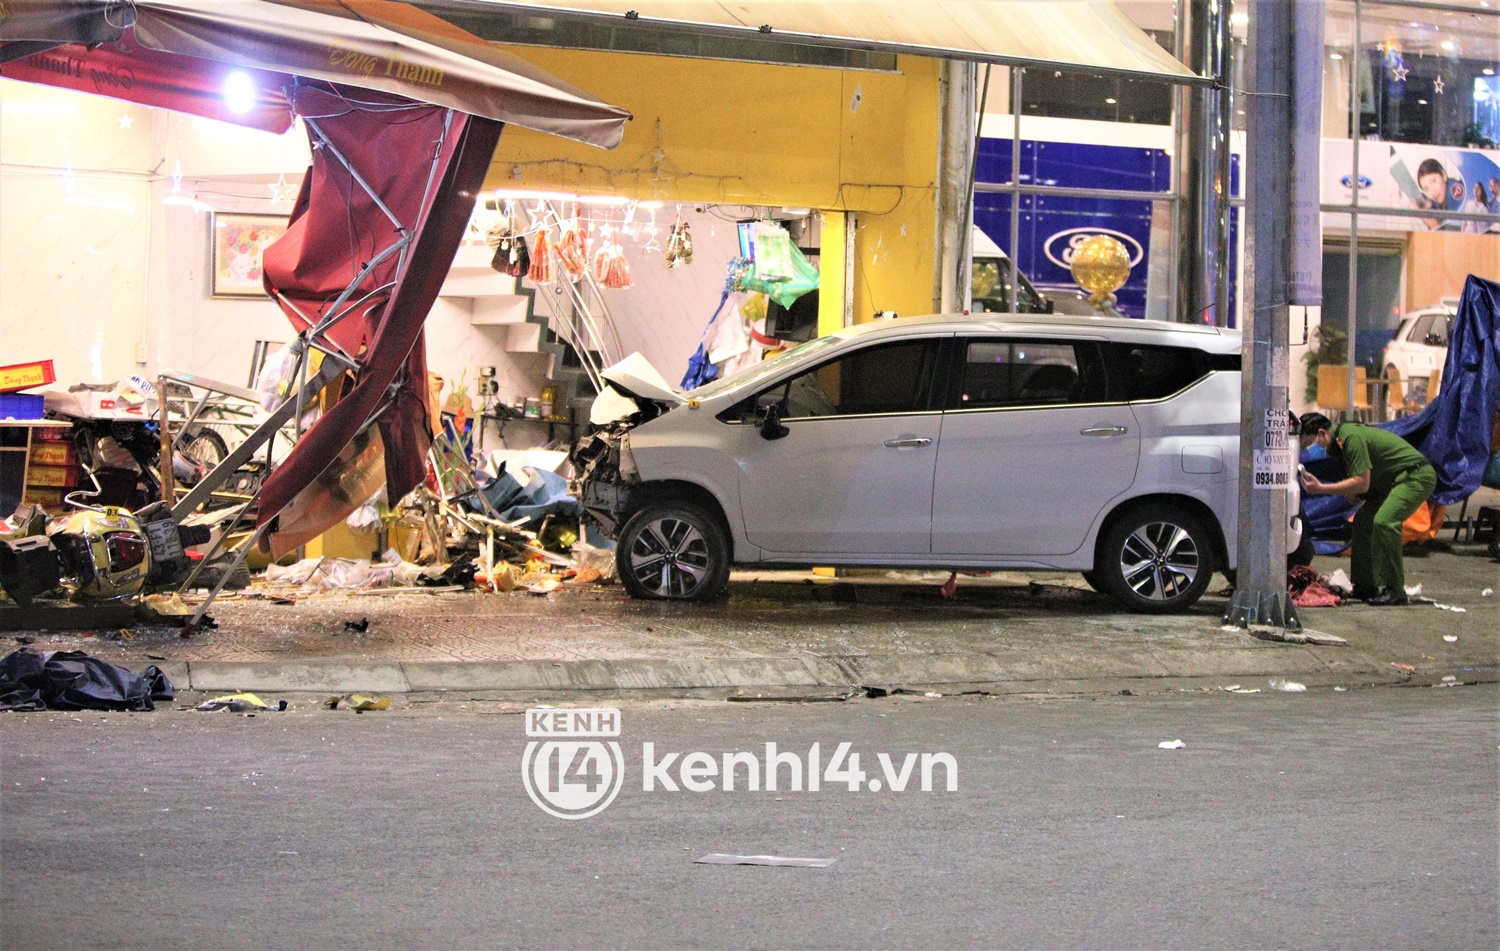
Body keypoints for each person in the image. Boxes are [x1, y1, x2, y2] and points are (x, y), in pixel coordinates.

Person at [1298, 413, 1437, 605]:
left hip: (1415, 476)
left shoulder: (1350, 437)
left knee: (1385, 522)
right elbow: (1365, 482)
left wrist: (1321, 489)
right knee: (1363, 522)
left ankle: (1395, 589)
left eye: (1309, 443)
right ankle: (1365, 585)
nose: (1312, 449)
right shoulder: (1342, 443)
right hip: (1391, 481)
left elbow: (1361, 482)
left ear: (1322, 433)